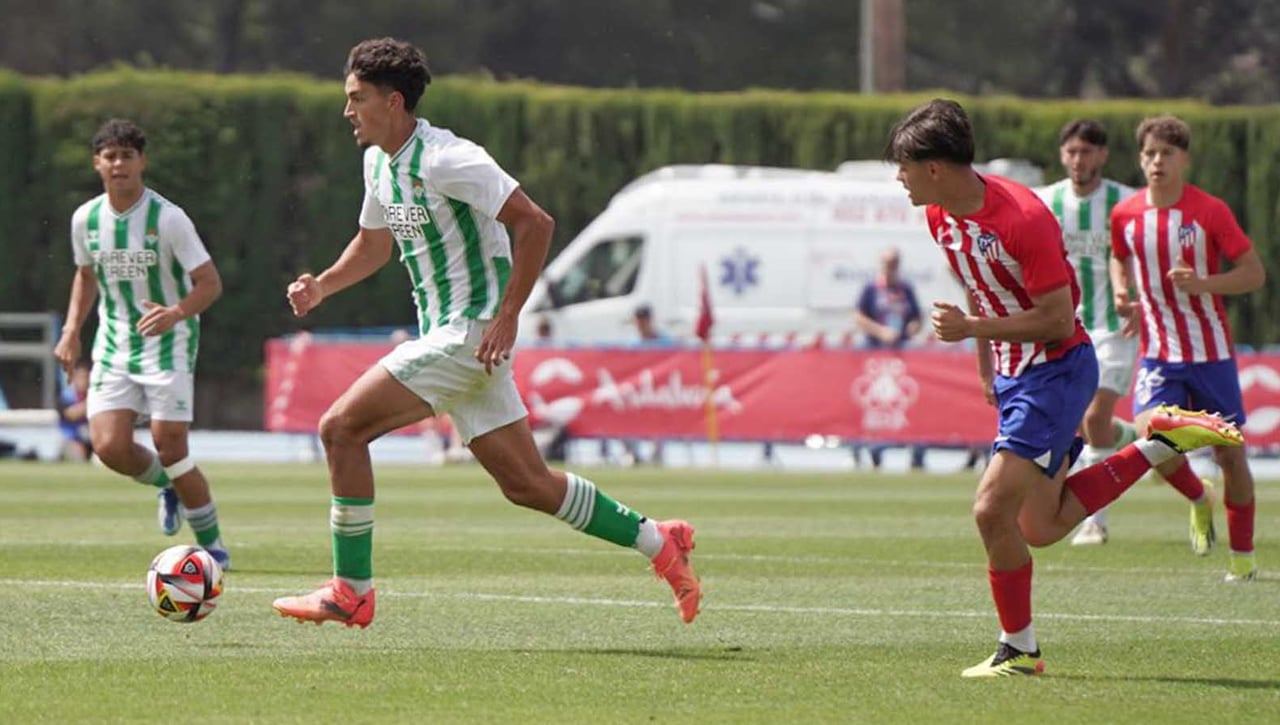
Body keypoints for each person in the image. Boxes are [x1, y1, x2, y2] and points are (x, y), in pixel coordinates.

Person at [271, 38, 700, 628]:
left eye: (356, 98)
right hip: (459, 339)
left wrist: (507, 315)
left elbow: (535, 222)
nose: (347, 111)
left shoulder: (450, 158)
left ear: (393, 102)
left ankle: (351, 591)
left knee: (341, 429)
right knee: (527, 484)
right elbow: (373, 245)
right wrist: (322, 286)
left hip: (471, 335)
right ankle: (660, 541)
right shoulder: (377, 161)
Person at [884, 98, 1243, 677]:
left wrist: (974, 331)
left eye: (902, 165)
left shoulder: (1021, 217)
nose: (897, 178)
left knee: (989, 510)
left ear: (934, 168)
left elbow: (1055, 318)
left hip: (1056, 370)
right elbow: (978, 289)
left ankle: (1019, 650)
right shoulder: (939, 215)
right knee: (1040, 527)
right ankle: (1159, 444)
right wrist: (986, 368)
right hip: (1016, 375)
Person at [52, 119, 230, 569]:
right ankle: (166, 486)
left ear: (141, 162)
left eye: (127, 156)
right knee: (109, 447)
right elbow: (86, 275)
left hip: (169, 345)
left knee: (170, 446)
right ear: (98, 164)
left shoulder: (168, 218)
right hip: (114, 346)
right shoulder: (85, 219)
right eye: (110, 157)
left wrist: (175, 313)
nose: (119, 165)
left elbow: (209, 283)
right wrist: (72, 329)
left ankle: (212, 546)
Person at [1035, 120, 1214, 548]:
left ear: (1102, 156)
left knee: (1095, 418)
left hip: (1117, 326)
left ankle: (1095, 521)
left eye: (1086, 152)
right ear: (1063, 156)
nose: (1078, 160)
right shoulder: (1047, 203)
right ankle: (1151, 451)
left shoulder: (1124, 202)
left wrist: (1137, 296)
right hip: (1066, 327)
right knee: (1087, 425)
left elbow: (1148, 254)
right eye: (1071, 152)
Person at [1110, 115, 1267, 582]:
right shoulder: (1126, 214)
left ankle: (1242, 559)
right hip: (1158, 352)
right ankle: (1199, 496)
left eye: (1166, 154)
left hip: (1211, 354)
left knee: (1232, 456)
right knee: (1149, 434)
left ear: (1184, 160)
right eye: (1149, 154)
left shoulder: (1210, 212)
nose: (1157, 162)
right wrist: (1124, 294)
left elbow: (1253, 273)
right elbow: (1119, 255)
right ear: (1141, 160)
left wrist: (1203, 283)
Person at [853, 247, 926, 469]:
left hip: (899, 353)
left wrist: (913, 328)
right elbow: (859, 317)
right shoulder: (871, 288)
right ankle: (867, 451)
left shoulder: (905, 289)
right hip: (874, 353)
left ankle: (917, 452)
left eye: (894, 263)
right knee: (869, 405)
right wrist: (880, 332)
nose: (891, 267)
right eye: (887, 262)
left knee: (909, 402)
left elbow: (917, 318)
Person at [57, 360, 93, 461]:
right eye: (80, 377)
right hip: (71, 439)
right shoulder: (67, 395)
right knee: (78, 455)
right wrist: (92, 403)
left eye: (86, 377)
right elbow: (71, 414)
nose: (84, 380)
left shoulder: (92, 395)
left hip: (91, 438)